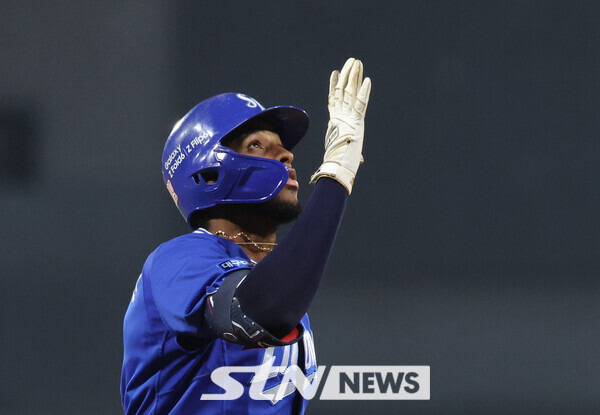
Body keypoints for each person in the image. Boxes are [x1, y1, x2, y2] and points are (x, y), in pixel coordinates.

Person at [121, 57, 371, 414]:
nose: (286, 153)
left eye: (282, 146)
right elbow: (256, 311)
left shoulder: (280, 288)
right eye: (257, 145)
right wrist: (335, 179)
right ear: (207, 174)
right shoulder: (178, 261)